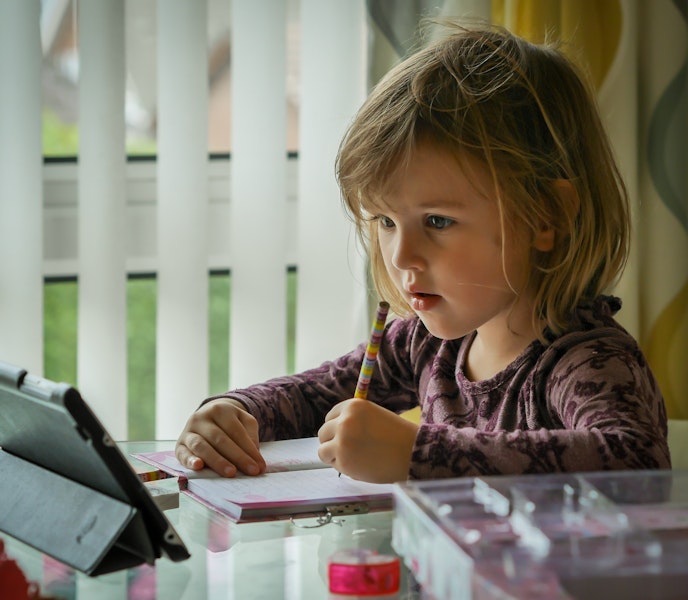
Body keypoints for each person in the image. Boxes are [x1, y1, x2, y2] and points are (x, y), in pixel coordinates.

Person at [175, 23, 670, 483]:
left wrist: (419, 453)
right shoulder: (422, 345)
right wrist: (233, 412)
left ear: (546, 217)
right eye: (386, 222)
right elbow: (307, 397)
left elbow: (635, 461)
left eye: (437, 221)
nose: (401, 256)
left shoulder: (586, 360)